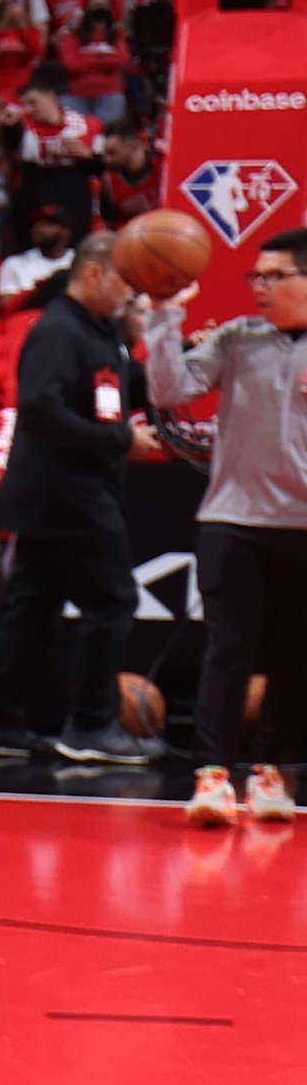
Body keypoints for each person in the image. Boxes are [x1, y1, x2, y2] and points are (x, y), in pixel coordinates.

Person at [0, 233, 164, 771]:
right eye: (125, 279)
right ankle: (91, 725)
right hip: (67, 488)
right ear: (96, 273)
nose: (130, 292)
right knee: (112, 600)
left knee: (32, 605)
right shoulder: (58, 329)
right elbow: (39, 409)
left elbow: (125, 386)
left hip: (58, 490)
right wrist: (121, 442)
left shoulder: (98, 329)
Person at [154, 234, 307, 825]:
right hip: (232, 520)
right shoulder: (238, 338)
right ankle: (212, 777)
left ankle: (269, 772)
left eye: (275, 276)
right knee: (227, 651)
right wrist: (166, 317)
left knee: (296, 658)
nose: (261, 287)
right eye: (257, 277)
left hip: (301, 529)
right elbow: (172, 389)